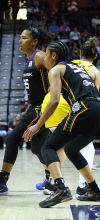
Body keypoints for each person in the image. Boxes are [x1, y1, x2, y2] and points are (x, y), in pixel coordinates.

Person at [24, 40, 100, 207]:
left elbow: (54, 101)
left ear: (54, 55)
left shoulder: (57, 69)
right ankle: (94, 190)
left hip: (83, 108)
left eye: (47, 54)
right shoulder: (78, 68)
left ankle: (60, 188)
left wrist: (37, 125)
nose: (44, 59)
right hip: (97, 108)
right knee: (72, 149)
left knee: (48, 147)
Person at [0, 27, 52, 196]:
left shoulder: (40, 56)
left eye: (24, 38)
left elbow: (56, 75)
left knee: (12, 139)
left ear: (34, 42)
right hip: (34, 108)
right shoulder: (29, 60)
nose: (20, 41)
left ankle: (1, 182)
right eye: (20, 37)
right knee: (36, 148)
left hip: (40, 109)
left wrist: (51, 95)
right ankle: (50, 177)